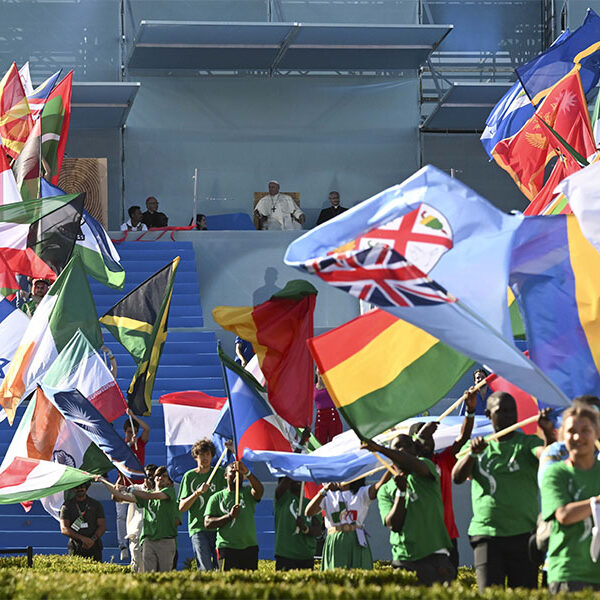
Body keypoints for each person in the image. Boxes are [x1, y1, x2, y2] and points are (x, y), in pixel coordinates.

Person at [452, 391, 555, 591]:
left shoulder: (527, 443)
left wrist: (548, 434)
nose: (508, 416)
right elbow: (456, 477)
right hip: (486, 535)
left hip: (524, 535)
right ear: (489, 415)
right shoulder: (477, 446)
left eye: (511, 411)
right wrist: (473, 454)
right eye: (502, 411)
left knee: (525, 594)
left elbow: (548, 457)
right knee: (490, 593)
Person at [365, 434, 456, 585]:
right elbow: (393, 524)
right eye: (397, 447)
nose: (402, 450)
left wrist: (380, 449)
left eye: (407, 445)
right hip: (403, 560)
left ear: (415, 450)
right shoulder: (385, 490)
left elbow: (411, 462)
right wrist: (400, 494)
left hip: (435, 558)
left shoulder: (426, 468)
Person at [406, 386, 478, 570]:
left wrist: (470, 411)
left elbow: (462, 439)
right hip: (420, 538)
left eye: (431, 437)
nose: (429, 441)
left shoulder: (443, 460)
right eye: (424, 437)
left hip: (447, 536)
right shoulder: (406, 468)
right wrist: (422, 435)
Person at [541, 402, 600, 593]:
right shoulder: (556, 473)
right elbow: (564, 515)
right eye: (571, 431)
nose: (578, 437)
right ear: (561, 436)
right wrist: (596, 502)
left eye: (585, 430)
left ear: (596, 433)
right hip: (568, 574)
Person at [99, 466, 179, 572]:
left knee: (164, 574)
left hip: (165, 539)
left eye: (164, 476)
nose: (160, 478)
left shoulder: (169, 491)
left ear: (170, 482)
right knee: (146, 573)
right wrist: (103, 481)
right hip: (147, 539)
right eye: (158, 476)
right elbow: (119, 496)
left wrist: (128, 489)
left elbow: (149, 496)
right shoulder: (143, 494)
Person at [304, 471, 389, 570]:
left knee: (358, 576)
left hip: (356, 539)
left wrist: (390, 470)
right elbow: (308, 512)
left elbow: (378, 486)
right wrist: (324, 490)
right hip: (335, 540)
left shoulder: (361, 492)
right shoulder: (328, 495)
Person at [204, 461, 263, 571]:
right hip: (227, 548)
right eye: (233, 472)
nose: (237, 474)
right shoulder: (216, 498)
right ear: (225, 475)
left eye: (239, 472)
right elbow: (208, 523)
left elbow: (259, 491)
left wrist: (248, 473)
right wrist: (229, 516)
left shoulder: (247, 493)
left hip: (249, 547)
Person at [178, 439, 227, 571]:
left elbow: (239, 477)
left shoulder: (220, 473)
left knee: (221, 568)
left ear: (212, 456)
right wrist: (197, 493)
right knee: (205, 568)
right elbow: (182, 507)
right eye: (201, 454)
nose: (204, 458)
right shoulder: (189, 476)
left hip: (218, 527)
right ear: (195, 456)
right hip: (198, 528)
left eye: (207, 454)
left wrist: (232, 451)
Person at [538, 395, 600, 487]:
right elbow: (553, 494)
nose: (578, 437)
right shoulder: (555, 453)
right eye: (573, 430)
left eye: (586, 429)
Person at [116, 411, 150, 561]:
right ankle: (123, 546)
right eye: (130, 432)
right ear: (125, 432)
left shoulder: (140, 442)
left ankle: (136, 543)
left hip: (139, 485)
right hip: (124, 484)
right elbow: (120, 456)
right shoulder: (121, 444)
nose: (133, 434)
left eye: (135, 431)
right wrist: (130, 443)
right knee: (121, 516)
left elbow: (147, 429)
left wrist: (133, 416)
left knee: (139, 516)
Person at [274, 477, 322, 570]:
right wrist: (294, 471)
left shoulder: (311, 504)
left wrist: (305, 528)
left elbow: (318, 530)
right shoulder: (282, 500)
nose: (297, 480)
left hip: (306, 557)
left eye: (300, 478)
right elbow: (280, 488)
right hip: (285, 557)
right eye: (294, 478)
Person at [59, 481, 106, 562]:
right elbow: (64, 528)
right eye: (77, 487)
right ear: (73, 489)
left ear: (86, 488)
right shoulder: (67, 506)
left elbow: (102, 526)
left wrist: (92, 539)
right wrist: (82, 539)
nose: (80, 489)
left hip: (94, 545)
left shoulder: (95, 504)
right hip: (76, 546)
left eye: (82, 486)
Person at [124, 464, 157, 572]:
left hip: (154, 535)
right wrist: (121, 479)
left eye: (153, 476)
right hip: (137, 534)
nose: (150, 479)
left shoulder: (161, 491)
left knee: (153, 568)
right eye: (148, 476)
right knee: (137, 566)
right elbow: (116, 497)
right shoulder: (135, 488)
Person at [313, 370, 342, 445]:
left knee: (336, 443)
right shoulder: (313, 388)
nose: (320, 371)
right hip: (320, 419)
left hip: (333, 417)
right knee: (320, 444)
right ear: (316, 372)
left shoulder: (331, 386)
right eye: (318, 369)